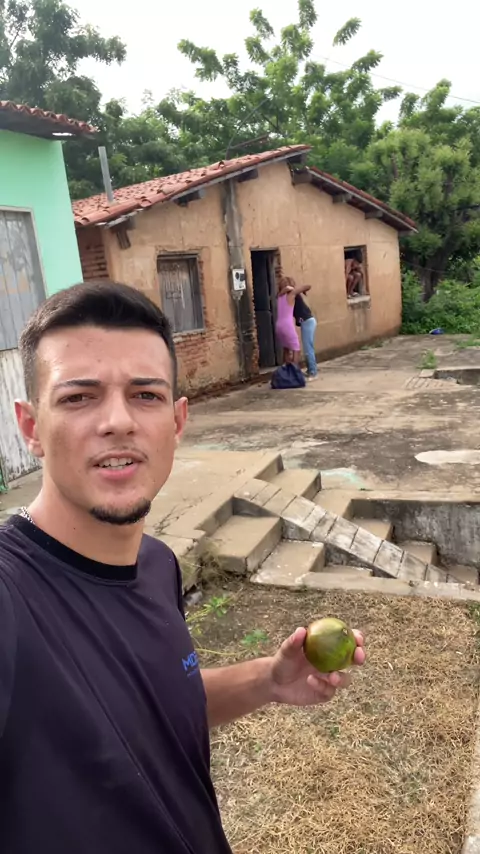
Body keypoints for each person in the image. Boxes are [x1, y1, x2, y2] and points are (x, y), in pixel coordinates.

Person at [0, 281, 365, 854]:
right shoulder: (11, 594)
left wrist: (268, 680)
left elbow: (162, 699)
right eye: (78, 398)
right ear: (30, 428)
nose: (118, 421)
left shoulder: (156, 565)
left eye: (145, 395)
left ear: (177, 421)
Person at [275, 275, 302, 365]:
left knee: (286, 348)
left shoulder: (279, 296)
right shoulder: (291, 295)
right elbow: (306, 287)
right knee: (296, 348)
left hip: (279, 325)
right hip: (287, 325)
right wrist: (293, 289)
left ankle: (286, 369)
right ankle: (294, 370)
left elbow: (285, 289)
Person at [293, 286, 318, 379]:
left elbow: (308, 286)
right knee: (307, 347)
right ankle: (310, 369)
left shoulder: (293, 294)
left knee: (308, 348)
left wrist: (294, 289)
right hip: (306, 321)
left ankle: (313, 372)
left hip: (307, 321)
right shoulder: (291, 297)